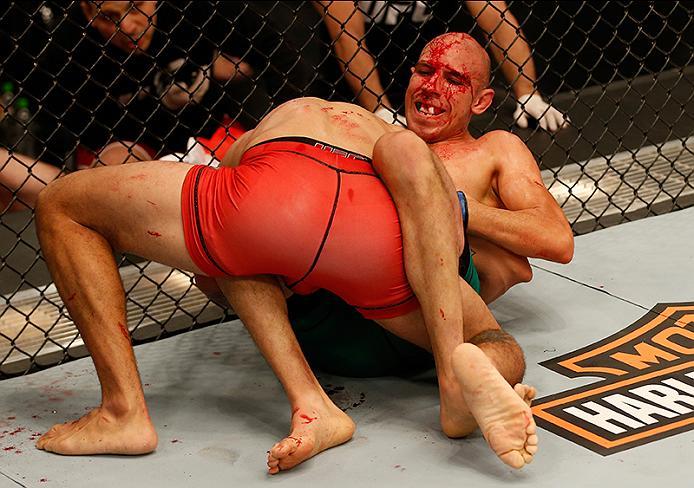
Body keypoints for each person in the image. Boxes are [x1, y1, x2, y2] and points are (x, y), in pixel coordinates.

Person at [32, 36, 541, 472]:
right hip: (384, 255)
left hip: (279, 206)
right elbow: (461, 242)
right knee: (497, 342)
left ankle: (138, 409)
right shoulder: (409, 143)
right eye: (425, 71)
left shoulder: (291, 124)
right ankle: (457, 375)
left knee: (74, 207)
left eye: (452, 78)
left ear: (481, 97)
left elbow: (213, 271)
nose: (432, 86)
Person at [0, 1, 252, 211]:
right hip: (128, 151)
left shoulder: (191, 11)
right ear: (88, 13)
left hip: (210, 133)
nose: (127, 26)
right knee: (115, 168)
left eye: (135, 6)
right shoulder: (68, 49)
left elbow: (263, 52)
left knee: (259, 154)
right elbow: (63, 132)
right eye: (108, 17)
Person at [317, 1, 569, 132]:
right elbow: (346, 38)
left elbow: (496, 17)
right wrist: (379, 111)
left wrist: (528, 94)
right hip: (350, 88)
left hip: (429, 77)